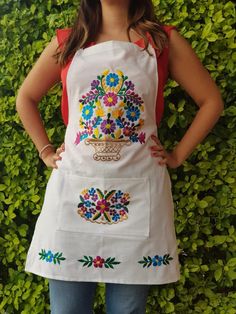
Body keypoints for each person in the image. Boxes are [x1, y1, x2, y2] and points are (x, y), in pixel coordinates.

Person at [16, 0, 224, 313]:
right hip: (74, 193)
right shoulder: (69, 41)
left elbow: (211, 101)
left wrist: (178, 154)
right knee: (67, 310)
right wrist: (45, 151)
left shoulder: (162, 42)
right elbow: (26, 98)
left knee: (127, 310)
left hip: (139, 196)